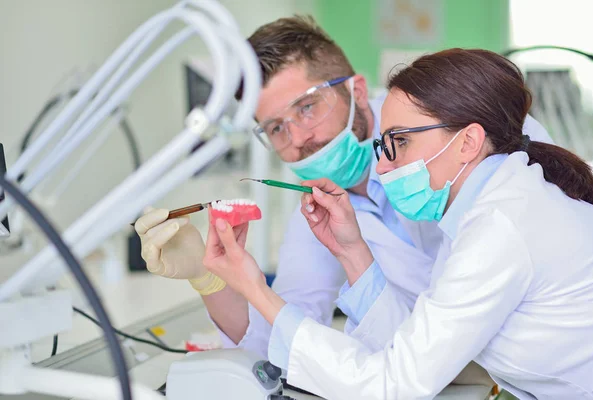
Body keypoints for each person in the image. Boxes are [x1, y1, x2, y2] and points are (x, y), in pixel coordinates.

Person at [134, 17, 552, 363]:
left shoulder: (457, 125)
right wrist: (210, 278)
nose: (298, 139)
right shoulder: (319, 208)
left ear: (354, 91)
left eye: (307, 108)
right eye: (276, 128)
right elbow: (278, 338)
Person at [202, 48, 593, 400]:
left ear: (468, 142)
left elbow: (394, 383)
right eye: (275, 128)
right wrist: (351, 250)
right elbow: (412, 343)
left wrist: (254, 286)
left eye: (399, 142)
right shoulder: (486, 206)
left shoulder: (498, 225)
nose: (382, 166)